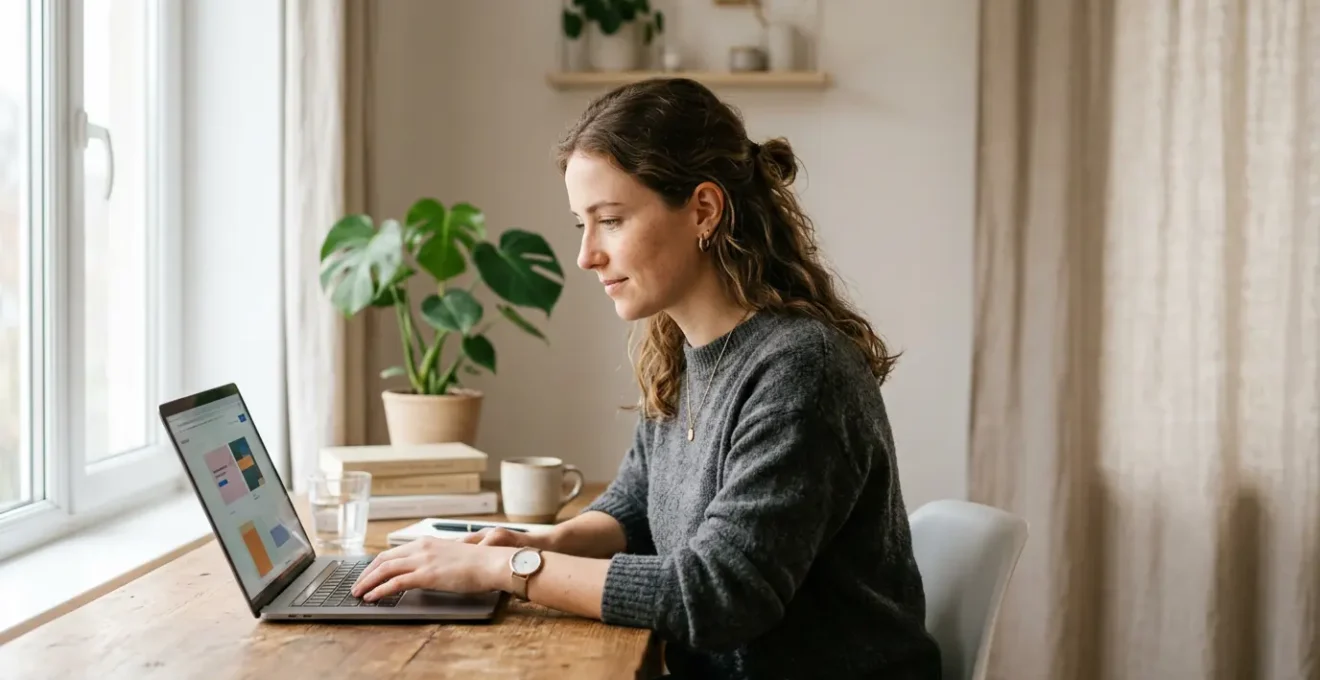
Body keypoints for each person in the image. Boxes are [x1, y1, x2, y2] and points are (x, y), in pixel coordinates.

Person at [352, 77, 941, 679]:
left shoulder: (800, 369)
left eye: (609, 220)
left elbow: (717, 595)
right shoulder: (682, 348)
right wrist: (534, 545)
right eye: (580, 224)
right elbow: (635, 507)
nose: (586, 255)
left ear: (704, 211)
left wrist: (511, 572)